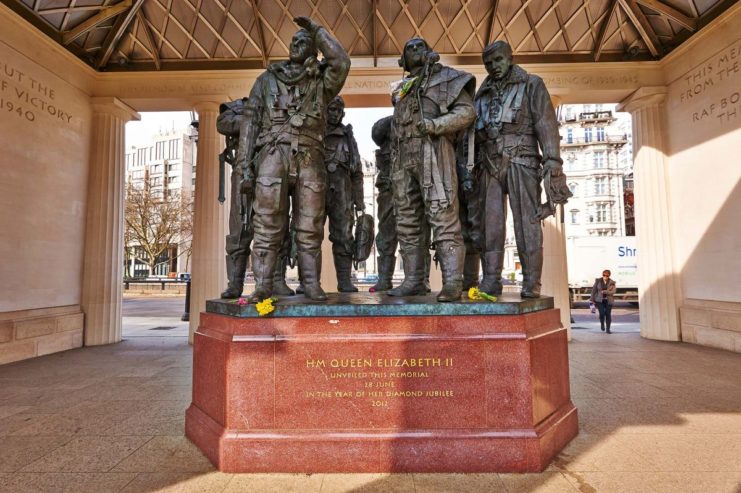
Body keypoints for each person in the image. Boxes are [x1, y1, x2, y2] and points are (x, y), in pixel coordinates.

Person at [237, 16, 350, 303]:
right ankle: (263, 285)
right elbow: (249, 124)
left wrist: (317, 30)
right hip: (273, 155)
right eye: (293, 40)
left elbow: (341, 62)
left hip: (310, 157)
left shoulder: (322, 81)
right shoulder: (266, 80)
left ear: (314, 50)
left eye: (303, 41)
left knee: (310, 225)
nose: (295, 44)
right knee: (266, 224)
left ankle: (311, 283)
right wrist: (243, 168)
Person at [473, 40, 571, 298]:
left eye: (498, 60)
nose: (493, 66)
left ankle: (531, 282)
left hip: (523, 161)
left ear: (510, 57)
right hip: (489, 163)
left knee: (526, 223)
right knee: (490, 226)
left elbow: (545, 123)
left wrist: (552, 160)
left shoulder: (531, 84)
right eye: (488, 63)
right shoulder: (481, 95)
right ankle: (491, 279)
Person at [388, 37, 476, 302]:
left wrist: (437, 125)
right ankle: (414, 280)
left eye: (420, 46)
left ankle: (452, 283)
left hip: (434, 154)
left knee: (443, 216)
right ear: (403, 59)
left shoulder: (448, 78)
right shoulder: (402, 88)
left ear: (429, 52)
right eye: (410, 47)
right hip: (403, 159)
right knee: (407, 221)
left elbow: (467, 112)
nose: (415, 50)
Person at [216, 99, 294, 299]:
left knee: (278, 225)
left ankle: (277, 280)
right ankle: (235, 283)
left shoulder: (281, 105)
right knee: (239, 229)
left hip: (275, 172)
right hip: (244, 172)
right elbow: (223, 124)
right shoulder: (237, 107)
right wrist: (254, 119)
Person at [323, 96, 364, 292]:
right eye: (331, 109)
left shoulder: (348, 137)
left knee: (344, 235)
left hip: (342, 190)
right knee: (308, 235)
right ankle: (308, 283)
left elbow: (357, 172)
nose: (334, 113)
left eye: (338, 110)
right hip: (315, 187)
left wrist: (360, 200)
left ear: (343, 114)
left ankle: (344, 281)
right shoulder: (314, 134)